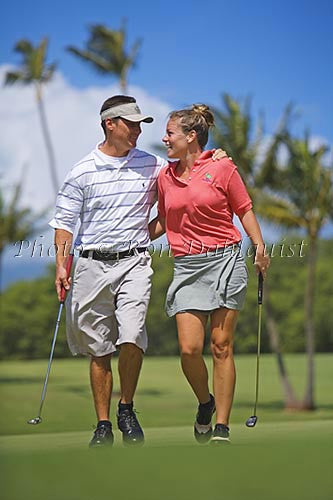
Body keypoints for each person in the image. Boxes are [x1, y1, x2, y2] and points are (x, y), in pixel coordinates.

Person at [49, 95, 227, 448]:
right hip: (89, 265)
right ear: (109, 124)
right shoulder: (81, 171)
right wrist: (61, 263)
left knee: (131, 337)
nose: (137, 130)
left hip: (134, 262)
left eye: (139, 124)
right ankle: (103, 424)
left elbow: (189, 174)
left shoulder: (153, 165)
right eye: (130, 124)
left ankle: (126, 407)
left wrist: (215, 157)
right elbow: (64, 224)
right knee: (99, 350)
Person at [149, 104, 270, 444]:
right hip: (187, 267)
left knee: (221, 345)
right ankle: (205, 403)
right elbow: (163, 219)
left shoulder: (222, 167)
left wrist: (259, 246)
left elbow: (243, 209)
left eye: (170, 132)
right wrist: (131, 238)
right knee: (189, 350)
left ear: (191, 136)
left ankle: (222, 427)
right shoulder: (165, 176)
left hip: (226, 262)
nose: (165, 138)